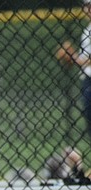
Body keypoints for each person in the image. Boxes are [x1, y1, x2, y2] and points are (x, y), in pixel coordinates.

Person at [56, 1, 91, 137]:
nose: (88, 10)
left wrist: (71, 55)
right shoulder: (88, 29)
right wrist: (71, 58)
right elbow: (84, 60)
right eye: (87, 6)